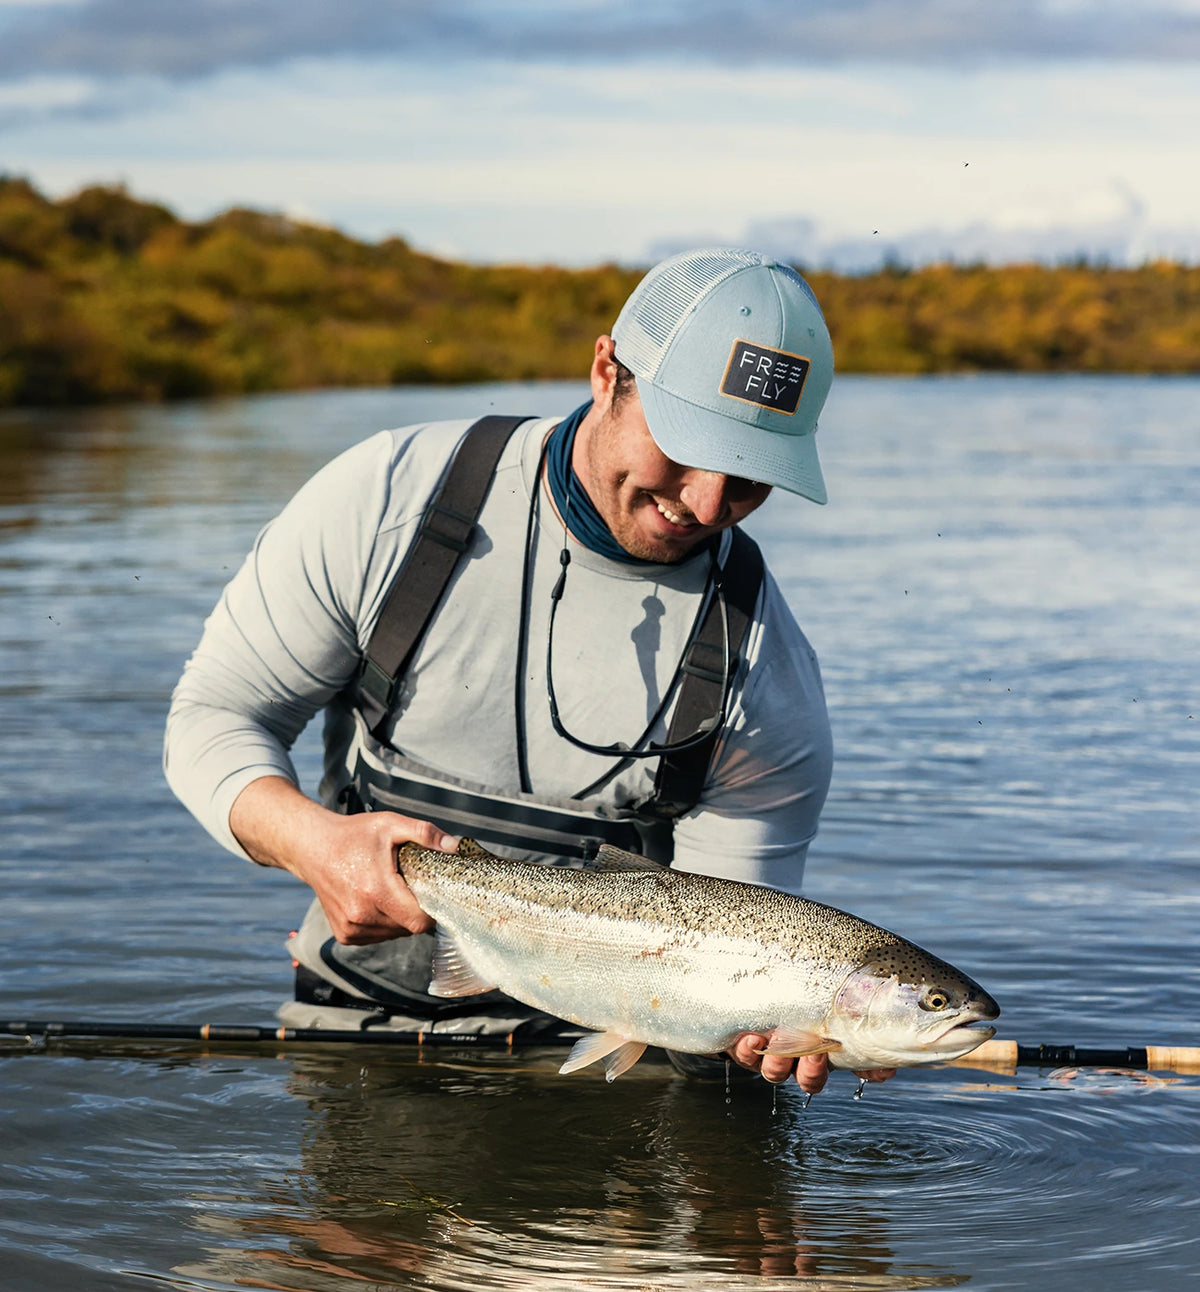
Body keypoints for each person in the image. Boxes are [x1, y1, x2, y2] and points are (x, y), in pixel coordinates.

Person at [165, 246, 894, 1095]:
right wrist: (314, 842)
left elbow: (733, 938)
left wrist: (775, 1031)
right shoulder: (386, 501)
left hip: (614, 1064)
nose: (703, 503)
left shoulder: (766, 671)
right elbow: (211, 718)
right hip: (359, 1021)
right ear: (606, 371)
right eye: (688, 447)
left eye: (750, 477)